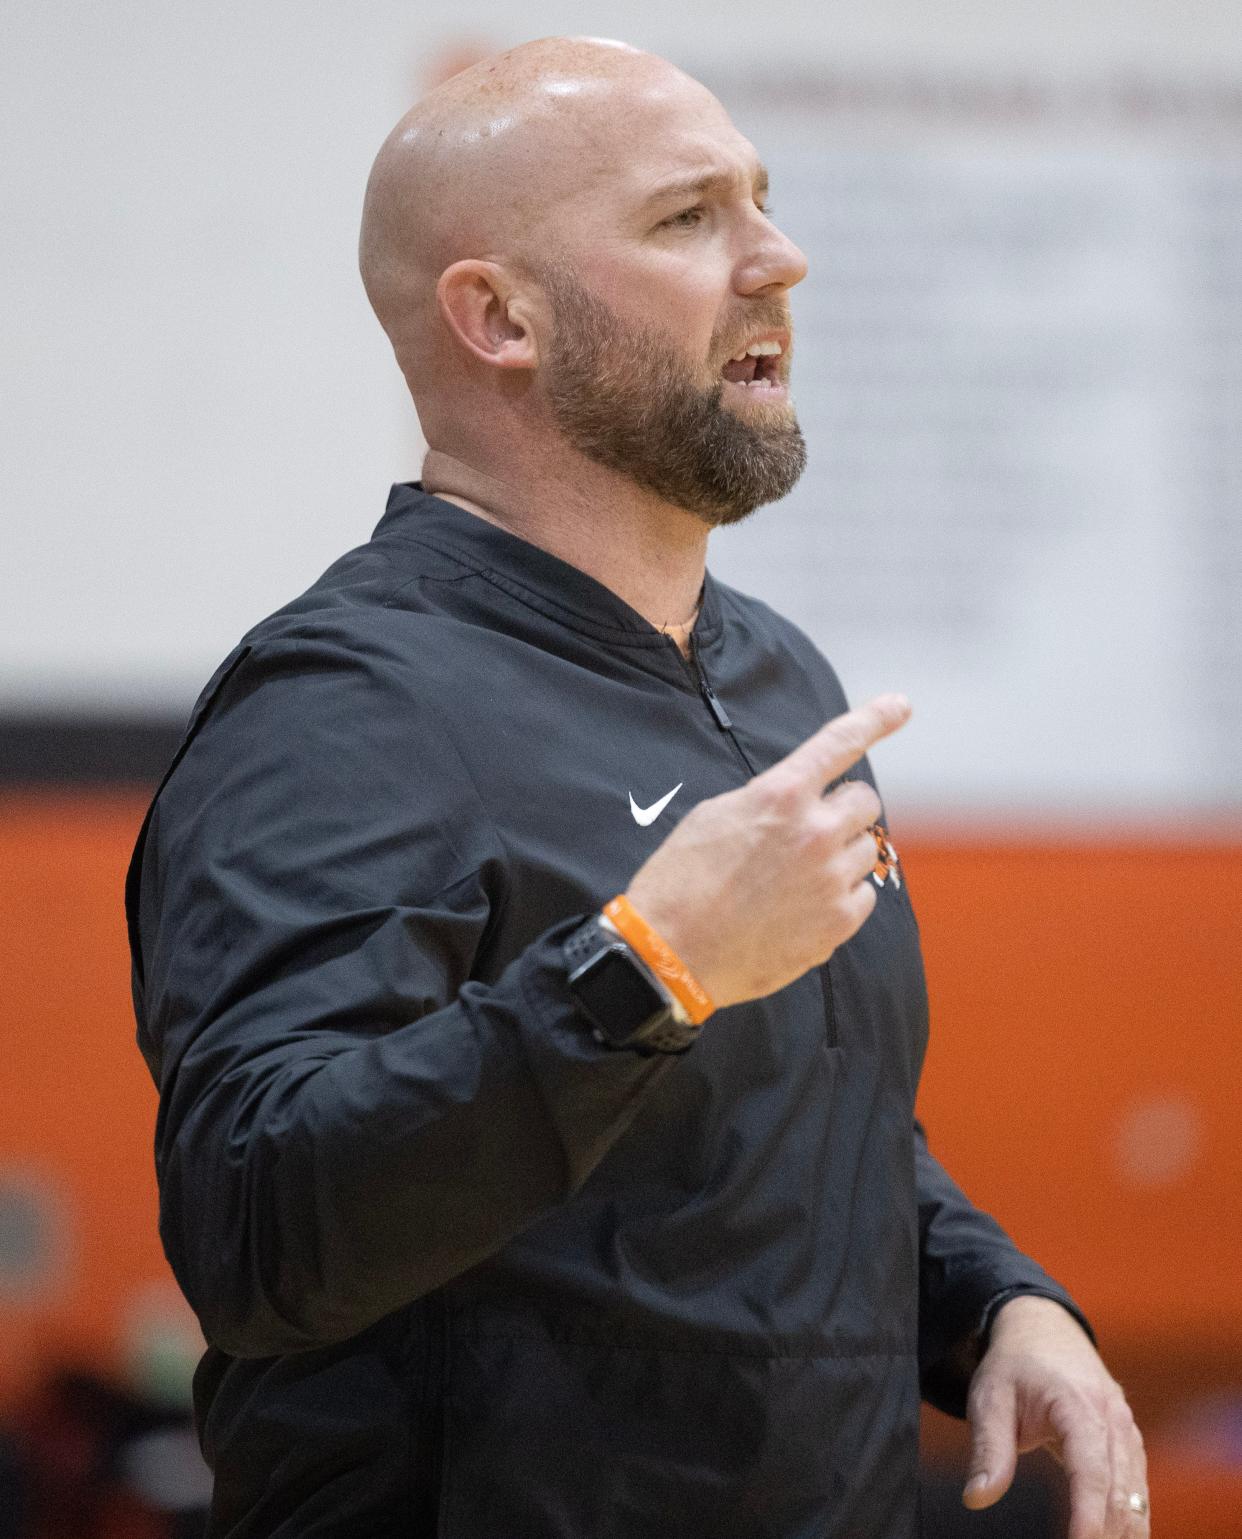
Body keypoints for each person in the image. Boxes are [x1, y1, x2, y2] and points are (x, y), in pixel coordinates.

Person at [125, 35, 1149, 1539]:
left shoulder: (777, 675)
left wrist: (994, 1302)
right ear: (498, 317)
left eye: (762, 202)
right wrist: (642, 972)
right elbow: (256, 1230)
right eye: (689, 219)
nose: (779, 259)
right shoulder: (343, 708)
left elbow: (796, 1126)